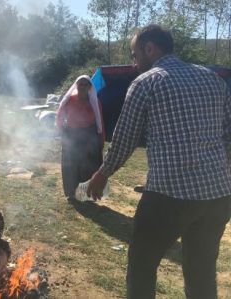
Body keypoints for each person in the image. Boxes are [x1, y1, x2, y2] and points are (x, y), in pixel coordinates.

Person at [87, 24, 231, 298]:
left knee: (142, 264)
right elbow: (229, 134)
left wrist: (101, 174)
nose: (133, 62)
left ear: (149, 48)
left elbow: (125, 139)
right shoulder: (213, 79)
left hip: (170, 195)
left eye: (134, 54)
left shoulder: (147, 82)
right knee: (201, 274)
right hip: (218, 197)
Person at [56, 75, 104, 201]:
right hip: (72, 135)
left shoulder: (94, 101)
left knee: (88, 166)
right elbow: (60, 115)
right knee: (70, 165)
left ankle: (85, 194)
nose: (82, 87)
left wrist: (101, 138)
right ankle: (71, 193)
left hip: (89, 135)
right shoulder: (70, 100)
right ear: (76, 85)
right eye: (80, 84)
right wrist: (62, 131)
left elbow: (100, 121)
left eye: (85, 84)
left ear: (89, 87)